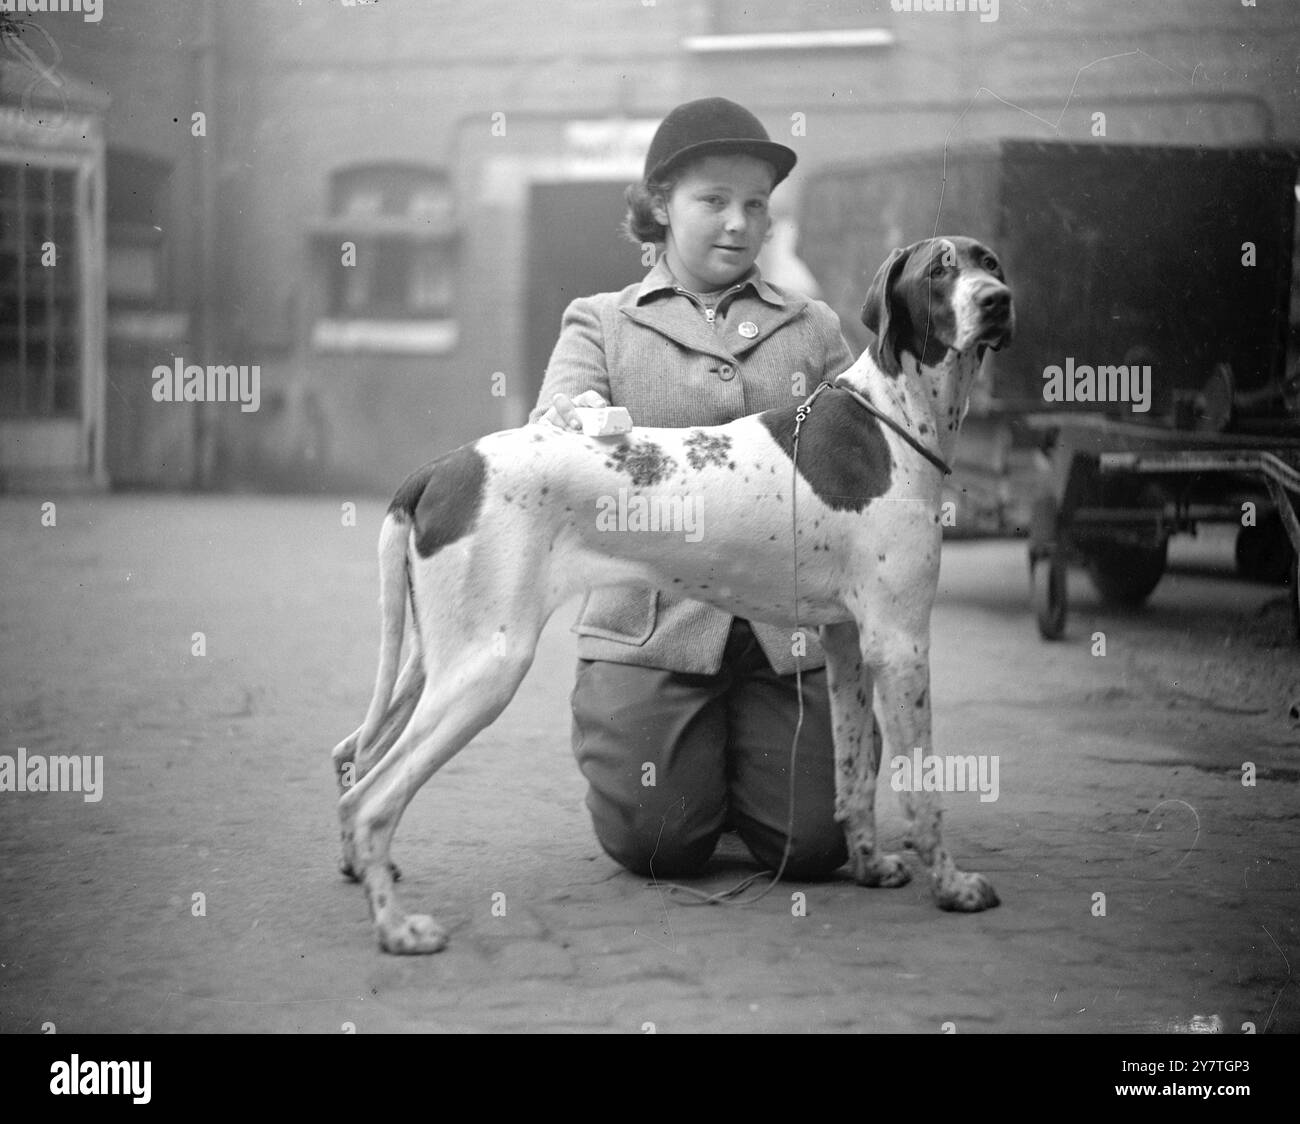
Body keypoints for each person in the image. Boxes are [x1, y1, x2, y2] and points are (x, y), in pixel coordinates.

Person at [531, 97, 856, 880]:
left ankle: (749, 773)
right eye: (712, 201)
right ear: (658, 205)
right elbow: (550, 434)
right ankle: (685, 768)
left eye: (755, 204)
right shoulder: (602, 322)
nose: (738, 223)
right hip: (655, 628)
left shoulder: (813, 328)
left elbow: (862, 462)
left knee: (815, 845)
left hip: (789, 635)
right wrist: (583, 422)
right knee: (658, 840)